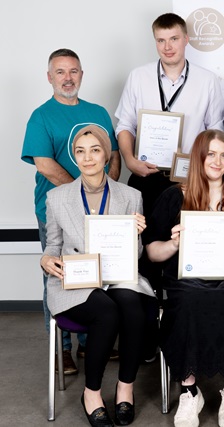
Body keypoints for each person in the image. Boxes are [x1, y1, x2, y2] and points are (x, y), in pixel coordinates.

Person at [145, 130, 224, 427]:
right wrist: (174, 244)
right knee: (189, 300)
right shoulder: (172, 196)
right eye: (212, 154)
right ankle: (189, 391)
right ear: (199, 157)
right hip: (186, 279)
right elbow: (152, 252)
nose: (218, 161)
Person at [40, 125, 155, 426]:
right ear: (74, 156)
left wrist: (138, 235)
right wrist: (46, 259)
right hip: (76, 279)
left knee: (133, 308)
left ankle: (125, 389)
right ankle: (91, 393)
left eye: (95, 150)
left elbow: (137, 254)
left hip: (118, 273)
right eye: (80, 151)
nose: (87, 157)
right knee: (106, 311)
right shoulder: (56, 197)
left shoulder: (131, 195)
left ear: (106, 155)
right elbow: (53, 245)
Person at [21, 48, 121, 375]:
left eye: (74, 71)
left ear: (82, 74)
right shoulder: (41, 116)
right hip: (55, 212)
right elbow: (46, 165)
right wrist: (81, 194)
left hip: (100, 211)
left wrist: (107, 191)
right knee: (60, 274)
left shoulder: (99, 112)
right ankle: (61, 349)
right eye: (61, 72)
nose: (68, 78)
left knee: (96, 273)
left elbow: (114, 156)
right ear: (50, 77)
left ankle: (91, 342)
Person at [115, 12, 224, 217]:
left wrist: (204, 169)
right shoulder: (138, 77)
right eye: (161, 40)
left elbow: (216, 132)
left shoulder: (207, 80)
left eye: (174, 39)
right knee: (145, 241)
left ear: (186, 39)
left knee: (184, 239)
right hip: (146, 173)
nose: (167, 47)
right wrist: (130, 160)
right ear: (155, 42)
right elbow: (125, 125)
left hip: (190, 177)